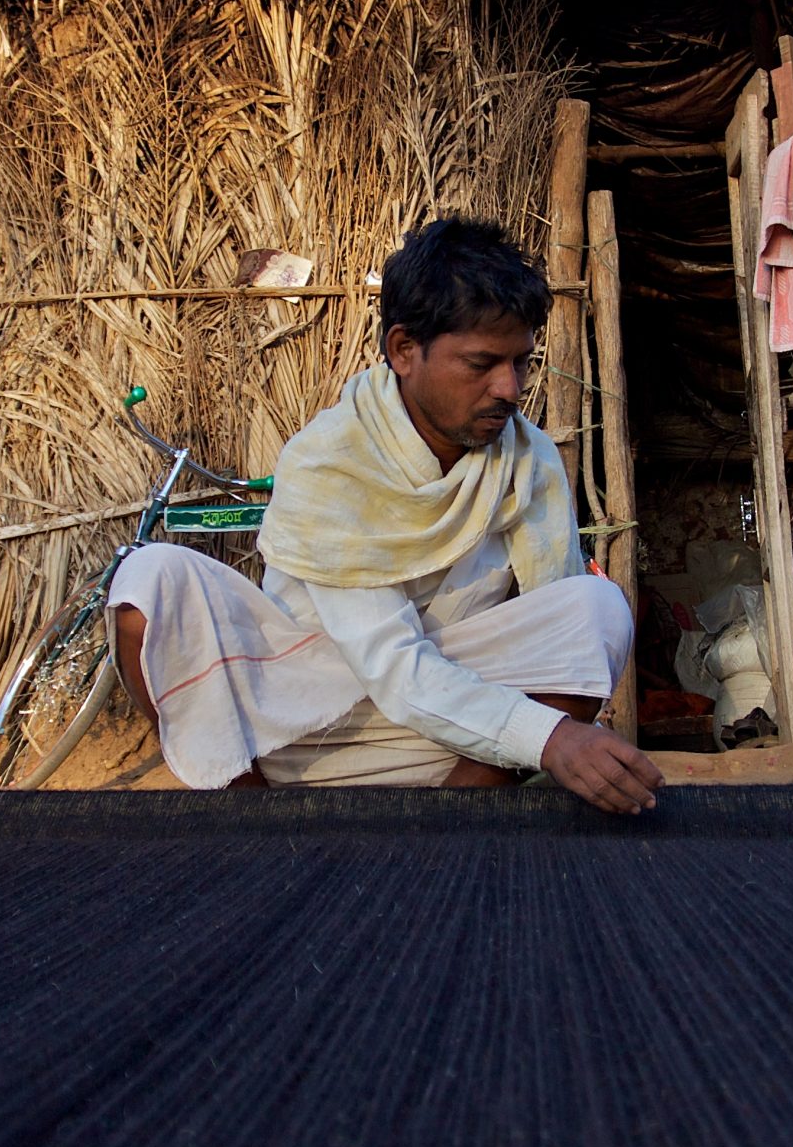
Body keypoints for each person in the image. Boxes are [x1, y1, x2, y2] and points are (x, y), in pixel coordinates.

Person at [107, 217, 663, 814]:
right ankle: (258, 823)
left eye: (521, 362)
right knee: (150, 582)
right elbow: (393, 668)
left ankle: (444, 830)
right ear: (403, 350)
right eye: (481, 364)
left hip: (454, 737)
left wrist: (555, 726)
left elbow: (556, 623)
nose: (510, 387)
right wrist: (548, 736)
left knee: (596, 609)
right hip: (303, 729)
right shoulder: (328, 464)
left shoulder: (528, 460)